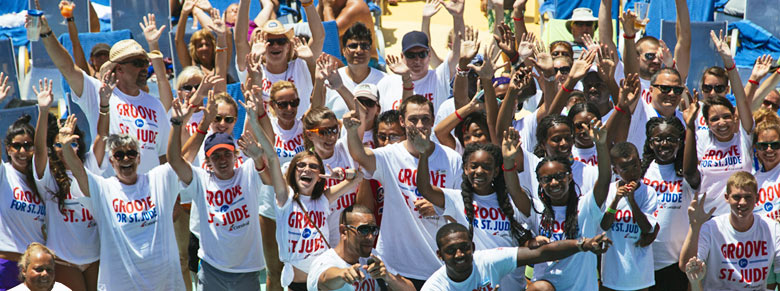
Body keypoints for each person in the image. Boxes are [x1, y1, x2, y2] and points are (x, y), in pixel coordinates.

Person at [242, 96, 363, 290]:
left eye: (313, 167)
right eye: (301, 166)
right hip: (297, 283)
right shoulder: (285, 198)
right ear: (293, 171)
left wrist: (343, 174)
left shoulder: (323, 199)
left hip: (323, 278)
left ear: (319, 176)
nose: (307, 169)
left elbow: (358, 177)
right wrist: (254, 121)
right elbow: (272, 157)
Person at [345, 95, 463, 288]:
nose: (420, 125)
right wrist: (351, 132)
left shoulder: (452, 159)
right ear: (402, 121)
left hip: (437, 265)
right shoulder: (390, 154)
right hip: (394, 264)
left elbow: (462, 209)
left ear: (433, 120)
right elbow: (360, 155)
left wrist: (440, 207)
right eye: (413, 119)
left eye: (425, 119)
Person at [34, 13, 173, 174]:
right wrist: (47, 34)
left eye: (145, 63)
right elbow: (68, 68)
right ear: (119, 68)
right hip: (111, 188)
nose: (144, 68)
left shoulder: (155, 105)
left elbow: (163, 156)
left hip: (149, 189)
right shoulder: (98, 92)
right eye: (137, 63)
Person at [59, 122, 188, 289]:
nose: (126, 159)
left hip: (164, 284)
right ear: (111, 161)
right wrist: (66, 147)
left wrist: (196, 125)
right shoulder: (103, 189)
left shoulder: (157, 180)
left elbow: (182, 159)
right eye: (119, 155)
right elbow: (79, 172)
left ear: (139, 158)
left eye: (131, 153)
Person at [167, 97, 268, 290]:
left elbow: (268, 151)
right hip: (209, 253)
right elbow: (176, 161)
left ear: (235, 155)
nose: (222, 160)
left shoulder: (247, 165)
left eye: (228, 119)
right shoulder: (200, 172)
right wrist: (181, 124)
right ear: (207, 161)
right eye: (217, 118)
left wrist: (258, 116)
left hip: (246, 264)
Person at [414, 134, 533, 289]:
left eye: (486, 167)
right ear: (465, 169)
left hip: (513, 285)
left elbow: (520, 197)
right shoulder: (456, 199)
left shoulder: (512, 200)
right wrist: (423, 154)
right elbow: (425, 189)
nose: (479, 171)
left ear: (496, 171)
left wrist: (509, 160)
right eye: (474, 166)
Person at [31, 79, 98, 291]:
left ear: (80, 145)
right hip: (63, 259)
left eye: (72, 142)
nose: (65, 147)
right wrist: (43, 111)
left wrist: (103, 106)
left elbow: (103, 136)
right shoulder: (48, 176)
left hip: (95, 256)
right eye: (59, 144)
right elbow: (39, 150)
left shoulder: (90, 167)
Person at [420, 223, 612, 290]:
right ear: (440, 255)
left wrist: (582, 245)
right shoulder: (434, 287)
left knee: (542, 288)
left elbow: (540, 253)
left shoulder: (487, 261)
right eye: (451, 250)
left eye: (464, 247)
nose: (459, 254)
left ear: (473, 247)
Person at [679, 172, 780, 290]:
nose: (742, 202)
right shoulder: (711, 228)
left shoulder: (772, 228)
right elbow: (687, 267)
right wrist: (694, 227)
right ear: (727, 198)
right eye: (736, 197)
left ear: (757, 198)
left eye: (748, 197)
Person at [639, 116, 697, 290]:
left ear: (680, 143)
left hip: (675, 263)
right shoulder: (641, 172)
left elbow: (691, 172)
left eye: (671, 139)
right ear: (650, 143)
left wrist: (690, 126)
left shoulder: (685, 174)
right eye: (658, 139)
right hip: (643, 260)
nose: (664, 144)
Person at [377, 0, 463, 114]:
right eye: (411, 55)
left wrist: (458, 17)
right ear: (402, 56)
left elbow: (457, 53)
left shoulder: (439, 78)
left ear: (429, 55)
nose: (417, 60)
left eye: (422, 54)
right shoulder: (386, 83)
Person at [307, 205, 415, 291]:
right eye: (363, 230)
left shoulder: (373, 257)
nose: (370, 237)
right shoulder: (324, 262)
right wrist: (342, 274)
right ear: (343, 231)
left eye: (374, 230)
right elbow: (324, 279)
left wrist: (388, 277)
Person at [599, 142, 658, 290]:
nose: (632, 173)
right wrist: (615, 201)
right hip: (612, 275)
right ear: (615, 170)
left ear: (640, 163)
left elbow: (647, 229)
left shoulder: (648, 192)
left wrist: (632, 201)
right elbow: (604, 225)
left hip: (639, 275)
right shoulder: (609, 191)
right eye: (625, 169)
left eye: (635, 166)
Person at [0, 116, 44, 290]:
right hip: (7, 265)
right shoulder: (4, 173)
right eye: (16, 146)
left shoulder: (42, 181)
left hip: (36, 269)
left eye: (28, 145)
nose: (22, 151)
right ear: (8, 148)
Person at [324, 22, 386, 119]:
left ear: (370, 51)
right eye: (353, 46)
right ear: (344, 51)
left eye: (364, 46)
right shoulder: (330, 80)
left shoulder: (385, 81)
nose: (359, 51)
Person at [174, 1, 232, 84]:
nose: (204, 48)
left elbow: (228, 35)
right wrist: (184, 13)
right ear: (194, 49)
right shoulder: (191, 67)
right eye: (200, 46)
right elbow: (178, 41)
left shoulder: (222, 64)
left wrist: (210, 10)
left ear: (213, 46)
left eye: (207, 45)